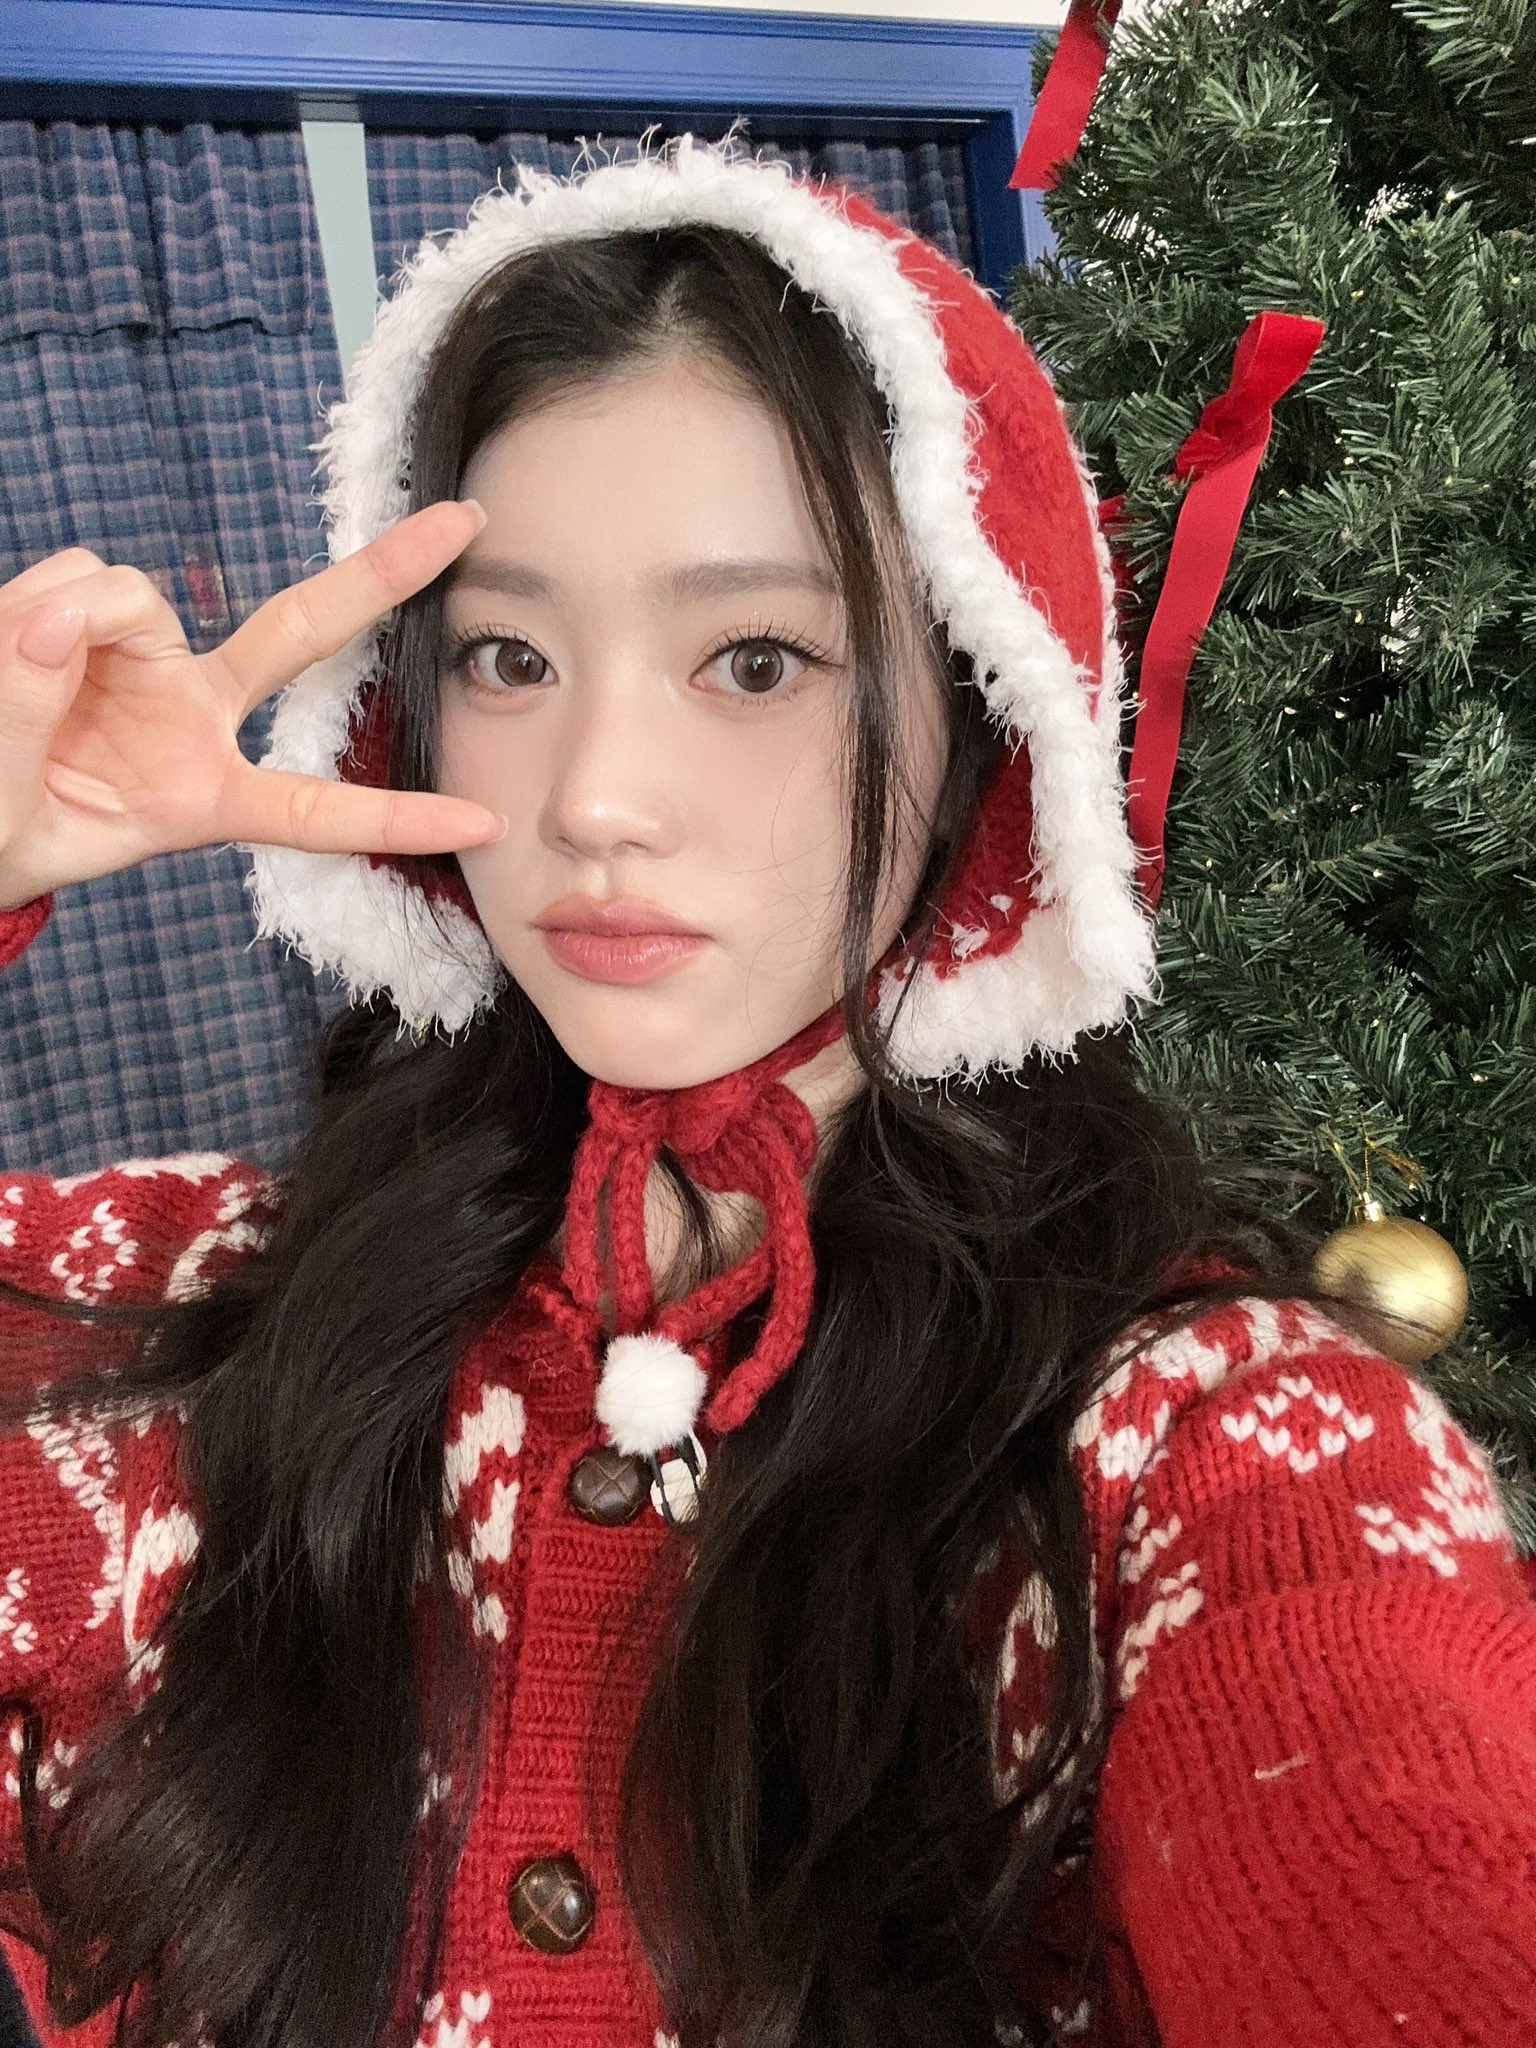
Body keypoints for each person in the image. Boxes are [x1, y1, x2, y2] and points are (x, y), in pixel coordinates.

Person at [0, 127, 1532, 2048]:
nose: (593, 800)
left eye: (752, 659)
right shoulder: (152, 1320)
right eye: (508, 654)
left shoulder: (1207, 1446)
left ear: (984, 708)